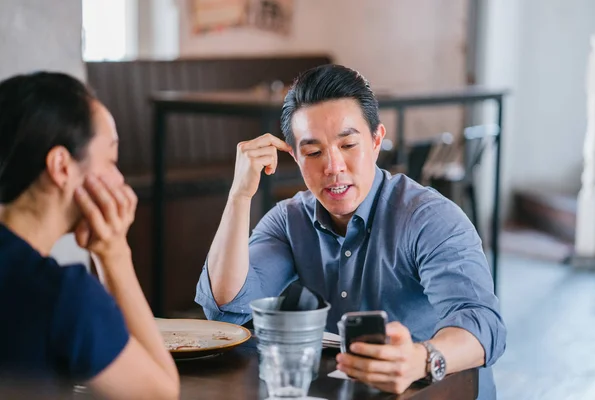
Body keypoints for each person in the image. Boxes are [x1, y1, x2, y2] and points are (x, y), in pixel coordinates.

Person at [195, 64, 506, 399]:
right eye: (313, 152)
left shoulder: (429, 218)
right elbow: (227, 307)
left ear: (376, 141)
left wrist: (422, 358)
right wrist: (239, 195)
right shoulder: (289, 220)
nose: (333, 167)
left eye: (348, 145)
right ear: (296, 158)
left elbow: (483, 324)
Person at [0, 72, 179, 399]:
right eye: (111, 160)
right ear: (62, 167)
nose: (119, 178)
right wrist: (115, 255)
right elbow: (161, 393)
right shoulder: (63, 296)